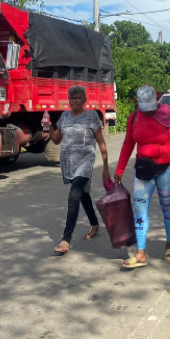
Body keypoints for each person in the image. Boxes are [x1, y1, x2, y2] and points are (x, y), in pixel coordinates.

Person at [114, 86, 170, 269]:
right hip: (144, 172)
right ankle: (141, 252)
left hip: (168, 169)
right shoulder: (134, 118)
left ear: (157, 98)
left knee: (167, 207)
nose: (149, 111)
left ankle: (169, 243)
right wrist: (119, 169)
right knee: (140, 209)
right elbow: (128, 143)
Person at [43, 86, 111, 256]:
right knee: (82, 194)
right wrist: (49, 128)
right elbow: (57, 140)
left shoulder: (91, 116)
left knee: (74, 196)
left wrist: (106, 167)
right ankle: (95, 224)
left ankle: (66, 240)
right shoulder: (65, 116)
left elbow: (101, 142)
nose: (73, 100)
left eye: (77, 97)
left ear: (85, 100)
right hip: (69, 163)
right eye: (71, 98)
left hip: (85, 161)